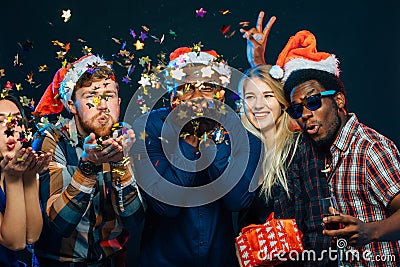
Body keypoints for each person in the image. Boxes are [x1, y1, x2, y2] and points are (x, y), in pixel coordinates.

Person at [272, 29, 400, 266]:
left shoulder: (368, 148)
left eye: (313, 101)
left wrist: (370, 231)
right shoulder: (324, 149)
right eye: (297, 109)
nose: (306, 114)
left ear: (338, 100)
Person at [132, 46, 262, 267]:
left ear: (220, 94)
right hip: (162, 260)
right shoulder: (147, 128)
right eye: (187, 88)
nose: (197, 98)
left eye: (208, 88)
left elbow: (237, 200)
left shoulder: (240, 131)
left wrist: (214, 136)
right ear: (173, 94)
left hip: (219, 259)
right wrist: (190, 139)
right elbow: (167, 206)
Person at [238, 13, 336, 266]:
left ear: (282, 104)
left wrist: (259, 61)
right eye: (250, 97)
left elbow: (320, 222)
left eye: (268, 96)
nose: (258, 105)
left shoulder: (301, 147)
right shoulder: (242, 154)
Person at [32, 54, 144, 266]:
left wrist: (121, 165)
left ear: (119, 102)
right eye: (91, 95)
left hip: (111, 262)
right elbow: (60, 224)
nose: (102, 105)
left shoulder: (126, 139)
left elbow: (134, 221)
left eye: (108, 95)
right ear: (72, 105)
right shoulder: (52, 139)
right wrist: (87, 167)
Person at [0, 95, 52, 267]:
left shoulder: (18, 169)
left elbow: (32, 236)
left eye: (15, 121)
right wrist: (13, 179)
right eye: (0, 122)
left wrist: (30, 177)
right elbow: (15, 242)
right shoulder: (12, 174)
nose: (10, 128)